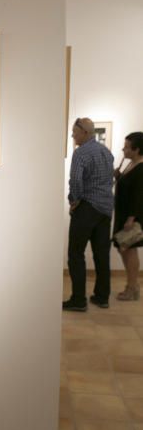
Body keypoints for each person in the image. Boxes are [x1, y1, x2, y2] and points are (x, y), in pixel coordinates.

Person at [63, 117, 114, 311]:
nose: (73, 136)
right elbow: (109, 180)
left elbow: (76, 181)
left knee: (76, 254)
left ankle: (78, 300)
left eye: (75, 132)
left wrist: (74, 201)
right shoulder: (106, 152)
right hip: (105, 209)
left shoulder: (81, 153)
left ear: (85, 132)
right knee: (102, 255)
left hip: (87, 208)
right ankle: (102, 297)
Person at [113, 132, 143, 300]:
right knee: (123, 249)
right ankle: (132, 286)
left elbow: (139, 196)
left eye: (126, 146)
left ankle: (132, 288)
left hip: (131, 216)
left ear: (136, 149)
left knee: (129, 250)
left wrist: (131, 218)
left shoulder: (140, 168)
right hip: (124, 214)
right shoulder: (131, 164)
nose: (123, 149)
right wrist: (118, 177)